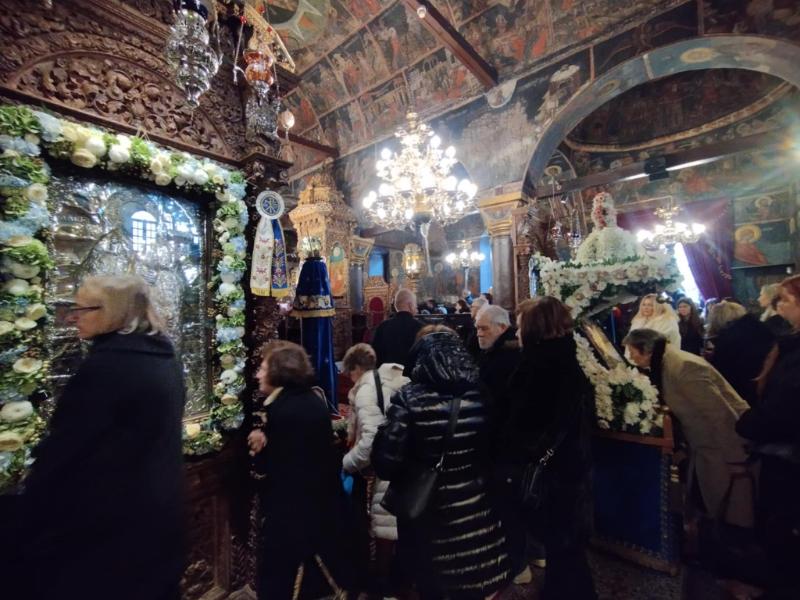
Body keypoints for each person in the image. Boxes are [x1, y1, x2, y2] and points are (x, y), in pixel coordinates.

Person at [18, 275, 186, 600]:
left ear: (113, 312)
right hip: (156, 520)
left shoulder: (108, 367)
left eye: (82, 309)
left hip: (107, 531)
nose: (72, 317)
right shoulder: (164, 359)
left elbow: (66, 451)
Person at [372, 326, 511, 599]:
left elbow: (385, 463)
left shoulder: (409, 399)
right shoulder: (481, 394)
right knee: (470, 579)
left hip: (428, 512)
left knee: (433, 583)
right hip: (475, 505)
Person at [501, 297, 596, 600]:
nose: (516, 332)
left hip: (549, 473)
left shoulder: (536, 366)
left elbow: (522, 421)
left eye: (520, 326)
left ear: (534, 328)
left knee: (563, 547)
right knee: (567, 549)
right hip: (571, 466)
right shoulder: (567, 358)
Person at [623, 329, 754, 528]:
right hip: (706, 447)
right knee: (711, 506)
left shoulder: (682, 367)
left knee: (730, 510)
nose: (631, 358)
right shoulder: (667, 362)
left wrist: (736, 459)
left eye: (633, 352)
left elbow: (720, 414)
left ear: (647, 350)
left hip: (721, 449)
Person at [248, 341, 348, 598]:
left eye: (263, 368)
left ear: (279, 371)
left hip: (294, 517)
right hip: (317, 511)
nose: (258, 374)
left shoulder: (285, 410)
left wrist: (261, 449)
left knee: (282, 579)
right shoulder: (308, 400)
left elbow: (280, 469)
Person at [736, 275, 800, 598]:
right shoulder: (791, 345)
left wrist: (749, 422)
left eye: (785, 300)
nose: (779, 307)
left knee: (782, 532)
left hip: (787, 456)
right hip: (784, 452)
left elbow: (784, 409)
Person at [341, 343, 409, 595]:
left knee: (384, 532)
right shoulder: (394, 381)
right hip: (404, 466)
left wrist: (347, 463)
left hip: (385, 470)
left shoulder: (366, 390)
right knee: (396, 530)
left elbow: (370, 440)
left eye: (349, 373)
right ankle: (398, 582)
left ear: (356, 369)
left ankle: (382, 587)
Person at [708, 300, 775, 407]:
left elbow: (723, 376)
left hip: (748, 391)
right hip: (772, 381)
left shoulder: (726, 341)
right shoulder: (761, 327)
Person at [371, 288, 423, 370]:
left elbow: (375, 355)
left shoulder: (382, 327)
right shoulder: (420, 328)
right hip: (410, 376)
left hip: (386, 375)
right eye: (415, 304)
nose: (417, 308)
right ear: (410, 305)